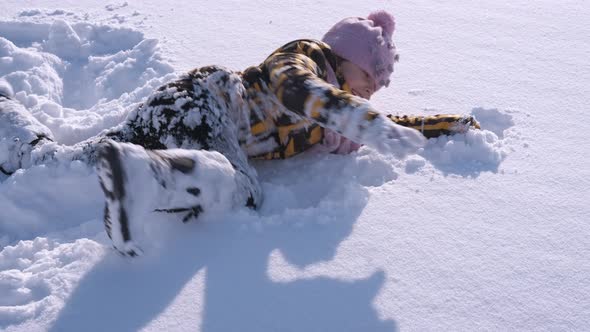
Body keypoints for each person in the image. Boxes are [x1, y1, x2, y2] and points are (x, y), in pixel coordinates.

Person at [0, 11, 479, 256]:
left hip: (181, 110)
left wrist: (446, 125)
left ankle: (10, 125)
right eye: (370, 76)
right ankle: (150, 178)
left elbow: (392, 124)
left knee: (69, 164)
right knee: (243, 190)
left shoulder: (330, 112)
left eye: (377, 86)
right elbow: (296, 88)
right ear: (343, 55)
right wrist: (359, 119)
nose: (373, 89)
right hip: (207, 102)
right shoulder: (303, 59)